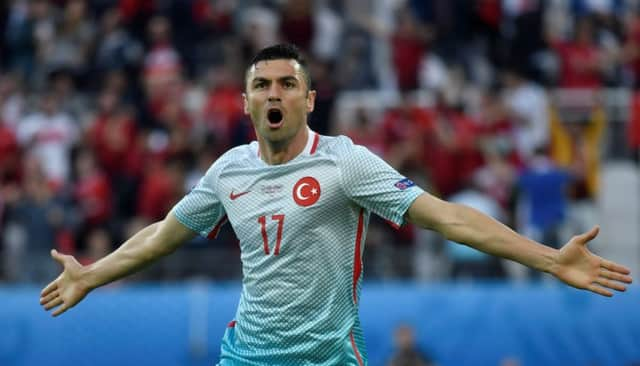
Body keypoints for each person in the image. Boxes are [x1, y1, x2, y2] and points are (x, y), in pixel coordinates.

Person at [40, 44, 633, 365]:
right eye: (262, 86)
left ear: (309, 99)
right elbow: (162, 236)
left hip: (327, 359)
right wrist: (92, 275)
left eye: (287, 84)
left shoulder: (346, 164)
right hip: (245, 357)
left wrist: (549, 260)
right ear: (246, 103)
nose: (275, 94)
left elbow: (449, 217)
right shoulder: (229, 171)